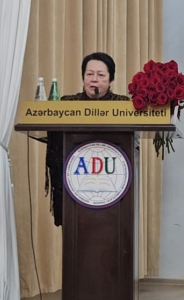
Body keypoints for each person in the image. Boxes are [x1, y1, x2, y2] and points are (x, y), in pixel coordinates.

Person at [45, 52, 129, 226]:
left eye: (101, 75)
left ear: (111, 80)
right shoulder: (67, 103)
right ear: (83, 78)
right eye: (89, 74)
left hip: (113, 181)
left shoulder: (123, 105)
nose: (94, 80)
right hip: (75, 181)